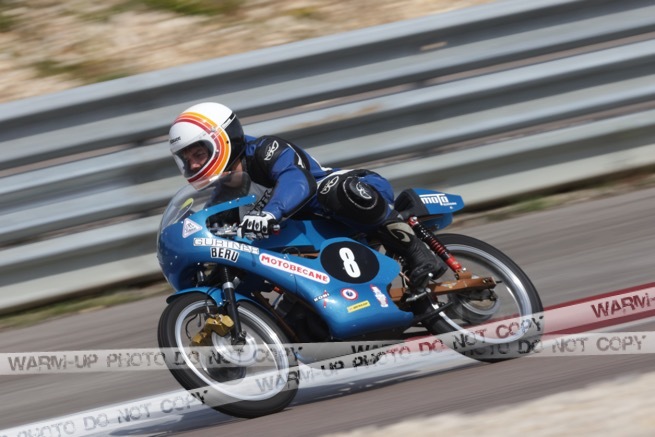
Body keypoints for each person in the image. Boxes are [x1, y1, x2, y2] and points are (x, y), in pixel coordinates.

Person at [168, 102, 446, 290]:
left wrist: (270, 213)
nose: (193, 164)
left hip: (347, 195)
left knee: (339, 191)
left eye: (199, 153)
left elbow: (297, 180)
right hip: (307, 237)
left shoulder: (266, 150)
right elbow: (213, 232)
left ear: (222, 140)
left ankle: (418, 253)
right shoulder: (223, 193)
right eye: (187, 159)